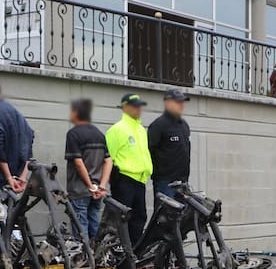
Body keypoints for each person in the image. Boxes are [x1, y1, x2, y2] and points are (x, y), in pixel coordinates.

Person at [105, 93, 153, 245]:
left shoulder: (140, 130)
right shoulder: (117, 130)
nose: (139, 109)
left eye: (140, 106)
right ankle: (122, 252)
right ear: (125, 107)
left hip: (140, 180)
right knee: (122, 219)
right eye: (135, 106)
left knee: (140, 218)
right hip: (124, 180)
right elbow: (108, 158)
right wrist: (104, 184)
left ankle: (135, 254)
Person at [64, 98, 112, 239]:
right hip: (98, 191)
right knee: (94, 225)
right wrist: (102, 186)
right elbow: (108, 161)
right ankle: (96, 257)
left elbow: (78, 163)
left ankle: (84, 259)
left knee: (81, 228)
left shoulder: (73, 134)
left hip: (80, 190)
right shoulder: (99, 134)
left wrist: (90, 187)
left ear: (76, 113)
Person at [148, 88, 192, 199]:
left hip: (183, 183)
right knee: (166, 215)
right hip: (165, 183)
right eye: (178, 102)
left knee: (183, 215)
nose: (181, 105)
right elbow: (149, 151)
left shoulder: (184, 125)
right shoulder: (158, 125)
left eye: (182, 102)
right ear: (167, 103)